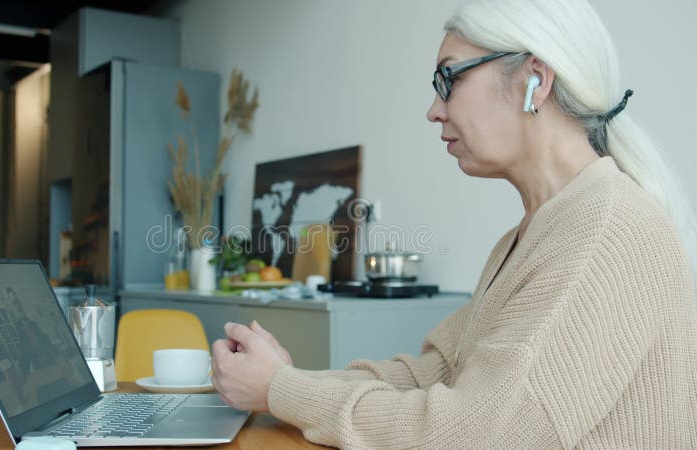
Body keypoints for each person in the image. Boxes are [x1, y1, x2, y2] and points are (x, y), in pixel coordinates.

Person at [210, 0, 697, 448]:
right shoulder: (531, 235)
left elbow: (476, 434)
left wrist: (280, 389)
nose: (434, 110)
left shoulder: (604, 230)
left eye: (449, 79)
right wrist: (287, 380)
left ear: (536, 80)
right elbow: (434, 374)